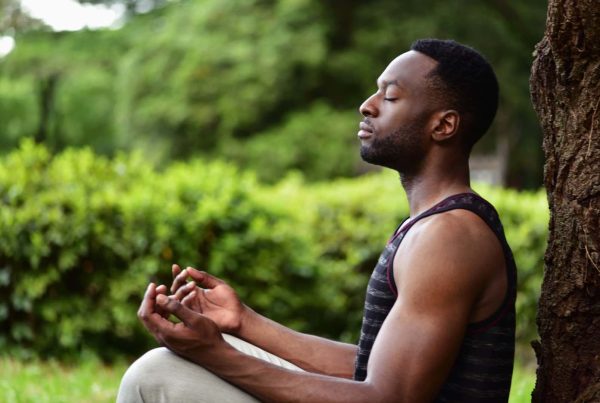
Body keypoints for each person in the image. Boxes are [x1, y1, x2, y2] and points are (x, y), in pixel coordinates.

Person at [117, 39, 517, 403]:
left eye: (390, 96)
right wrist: (242, 323)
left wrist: (215, 353)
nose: (368, 104)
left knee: (157, 376)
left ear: (443, 125)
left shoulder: (450, 236)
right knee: (172, 366)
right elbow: (372, 368)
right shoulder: (436, 224)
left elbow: (388, 397)